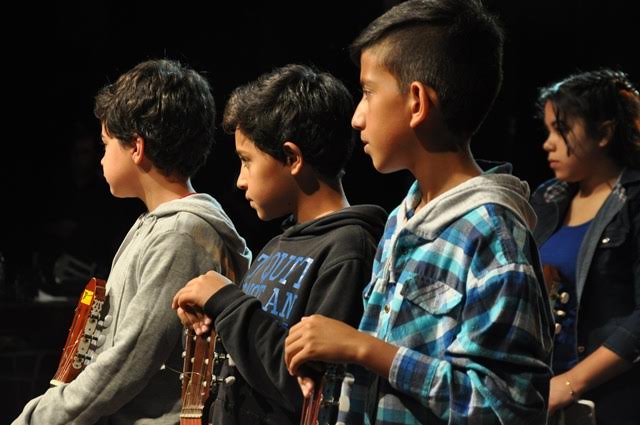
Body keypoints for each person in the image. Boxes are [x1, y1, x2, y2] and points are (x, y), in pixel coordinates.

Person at [284, 0, 555, 423]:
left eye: (368, 92)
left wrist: (363, 348)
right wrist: (334, 367)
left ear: (416, 102)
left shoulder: (493, 233)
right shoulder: (400, 219)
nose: (357, 116)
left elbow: (508, 406)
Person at [12, 59, 251, 425]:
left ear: (137, 147)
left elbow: (128, 360)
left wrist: (39, 418)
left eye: (107, 144)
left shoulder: (180, 235)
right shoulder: (153, 226)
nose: (101, 157)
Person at [171, 63, 387, 425]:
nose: (240, 180)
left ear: (292, 158)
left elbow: (309, 391)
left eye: (247, 161)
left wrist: (227, 302)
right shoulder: (275, 247)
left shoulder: (348, 249)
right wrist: (209, 321)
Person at [531, 69, 640, 425]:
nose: (548, 143)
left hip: (611, 403)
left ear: (604, 133)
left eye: (561, 130)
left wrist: (569, 383)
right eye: (548, 130)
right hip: (544, 396)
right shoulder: (546, 199)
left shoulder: (635, 201)